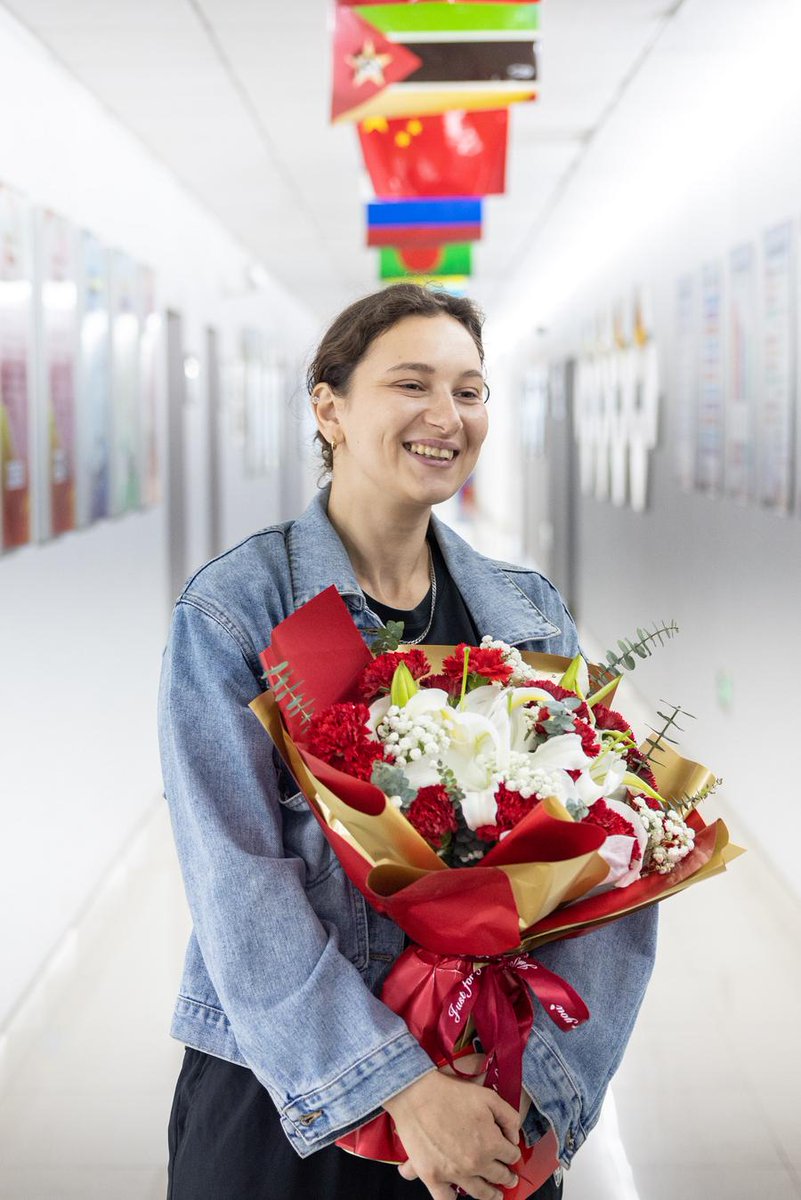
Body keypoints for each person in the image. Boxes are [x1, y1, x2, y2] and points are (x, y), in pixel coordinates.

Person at [158, 283, 658, 1200]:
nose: (446, 417)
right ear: (330, 406)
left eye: (469, 391)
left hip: (493, 1093)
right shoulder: (241, 613)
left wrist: (535, 1089)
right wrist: (398, 1089)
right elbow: (237, 884)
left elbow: (615, 864)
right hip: (293, 1101)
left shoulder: (524, 613)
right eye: (412, 384)